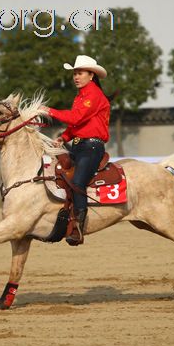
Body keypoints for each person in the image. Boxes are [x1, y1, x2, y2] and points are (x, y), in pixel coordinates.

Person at [40, 55, 111, 245]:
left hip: (92, 147)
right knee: (60, 172)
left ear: (91, 75)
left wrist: (50, 111)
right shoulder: (81, 96)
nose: (76, 77)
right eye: (74, 73)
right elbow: (77, 125)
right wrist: (63, 138)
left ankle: (78, 227)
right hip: (80, 145)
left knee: (78, 182)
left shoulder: (94, 95)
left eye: (79, 73)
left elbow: (76, 118)